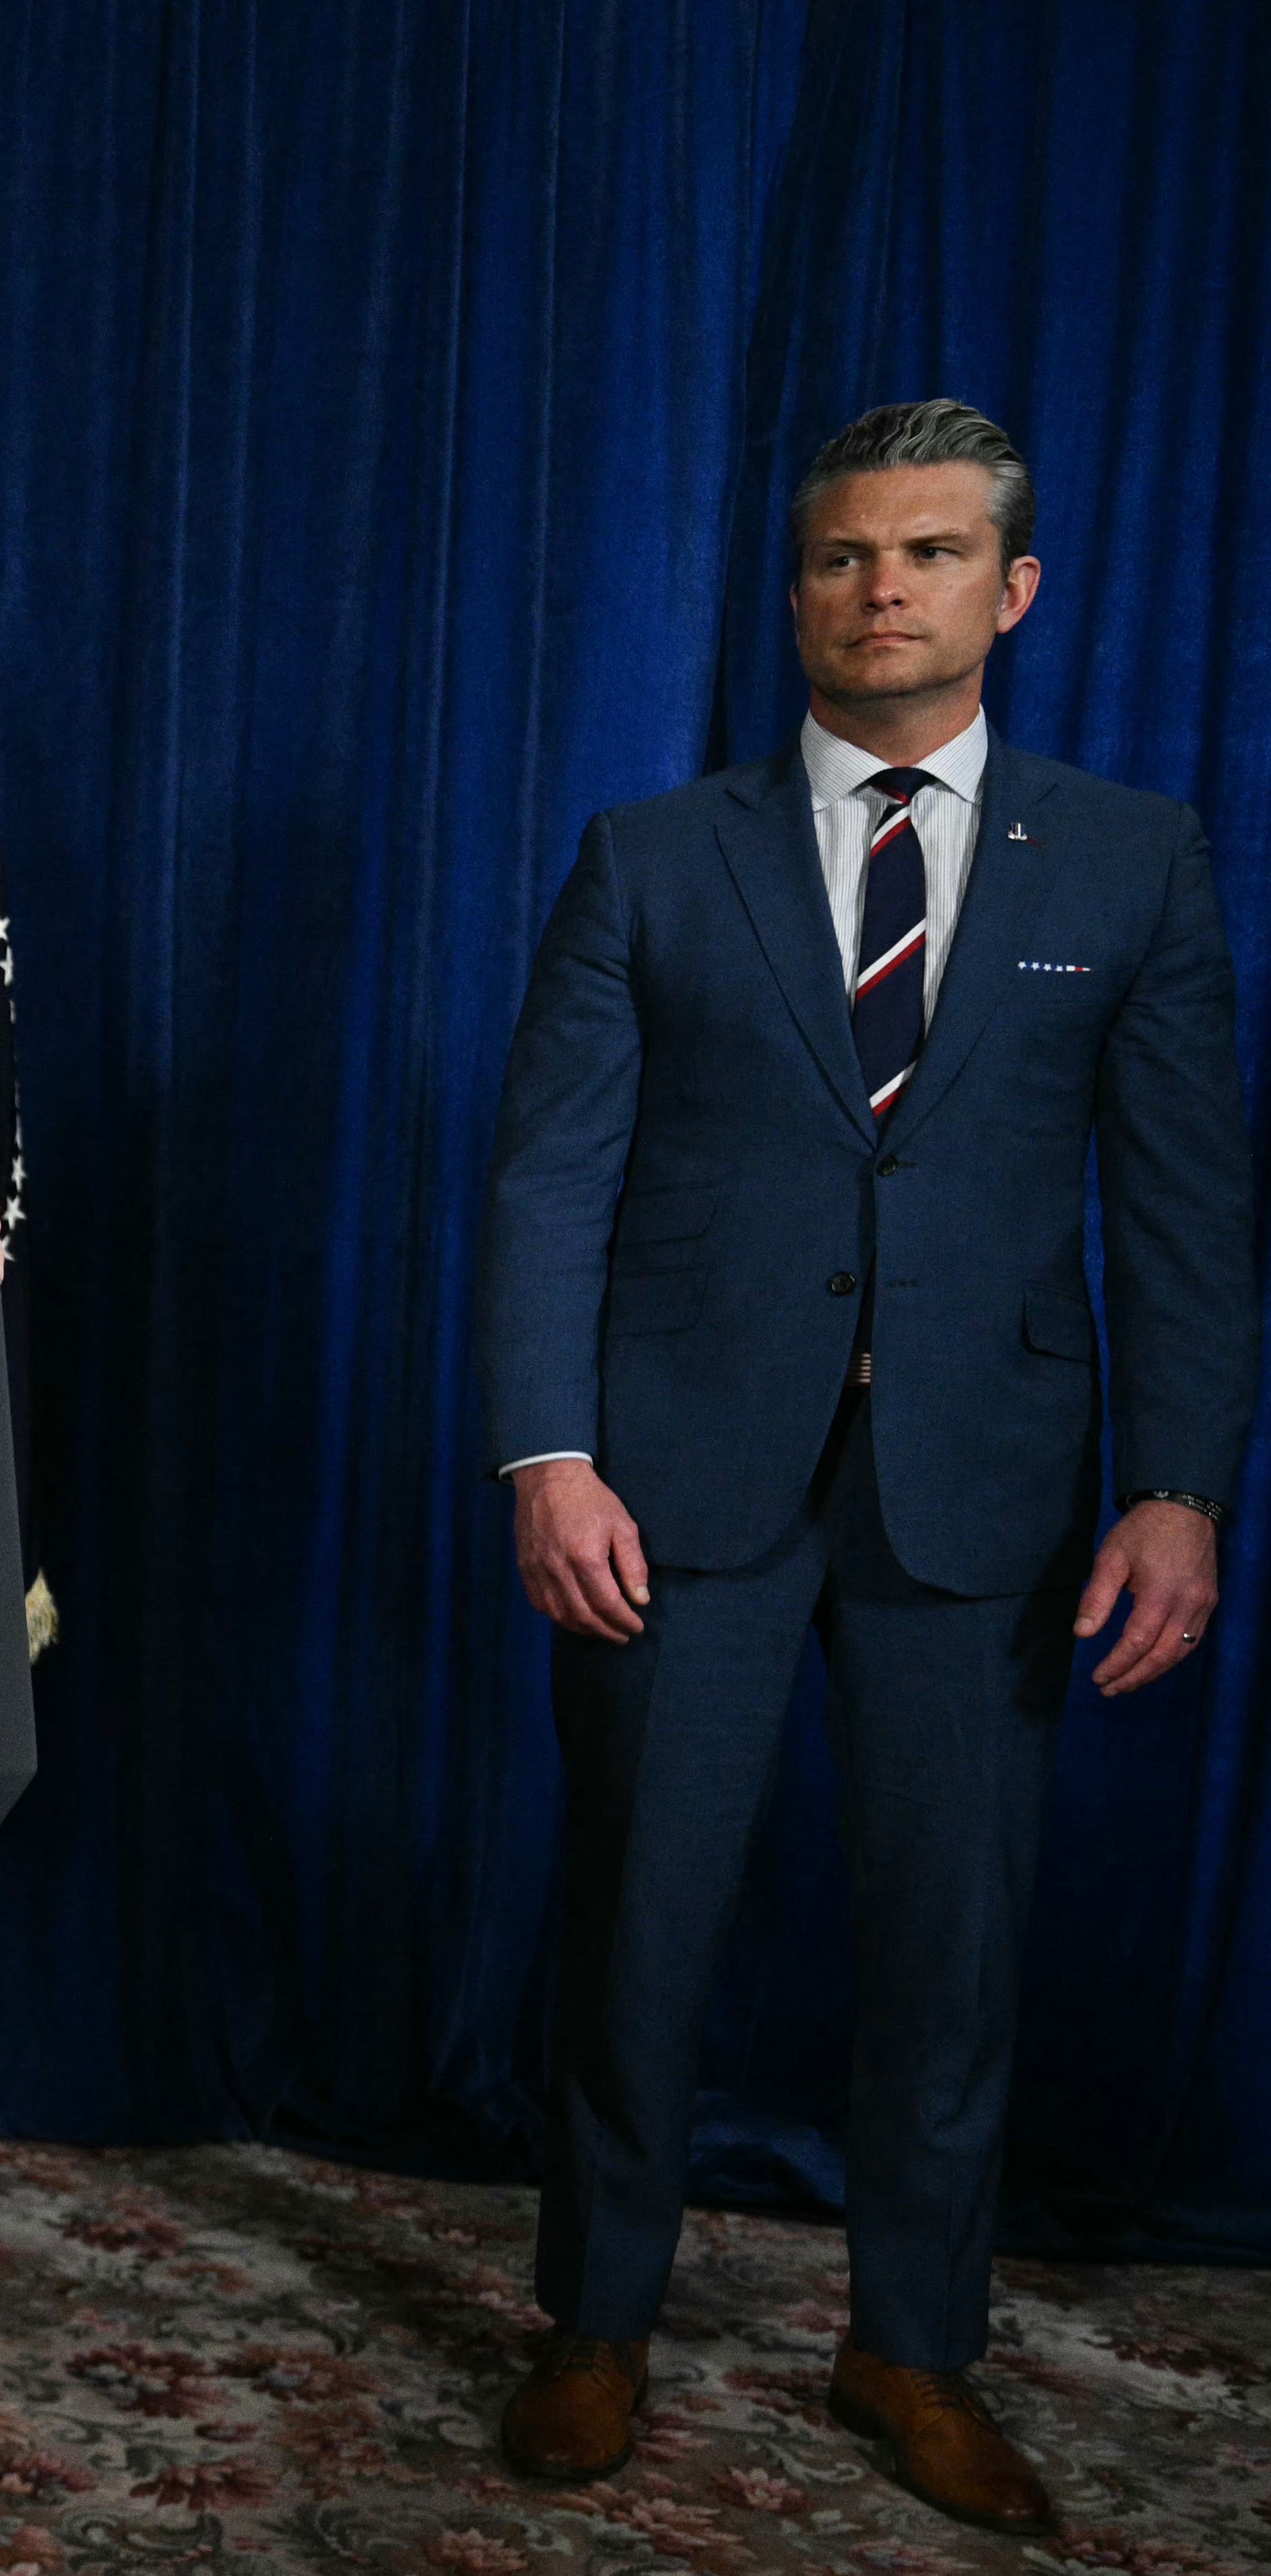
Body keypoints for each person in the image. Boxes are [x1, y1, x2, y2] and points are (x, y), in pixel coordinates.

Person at [476, 402, 1255, 2535]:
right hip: (672, 1478)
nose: (874, 588)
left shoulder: (1127, 856)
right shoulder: (652, 851)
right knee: (637, 1915)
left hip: (981, 1494)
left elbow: (1183, 1205)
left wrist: (1179, 1484)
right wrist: (546, 1450)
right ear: (793, 587)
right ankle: (594, 2323)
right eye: (836, 556)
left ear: (1007, 589)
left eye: (922, 554)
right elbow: (548, 1178)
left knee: (950, 1939)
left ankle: (908, 2346)